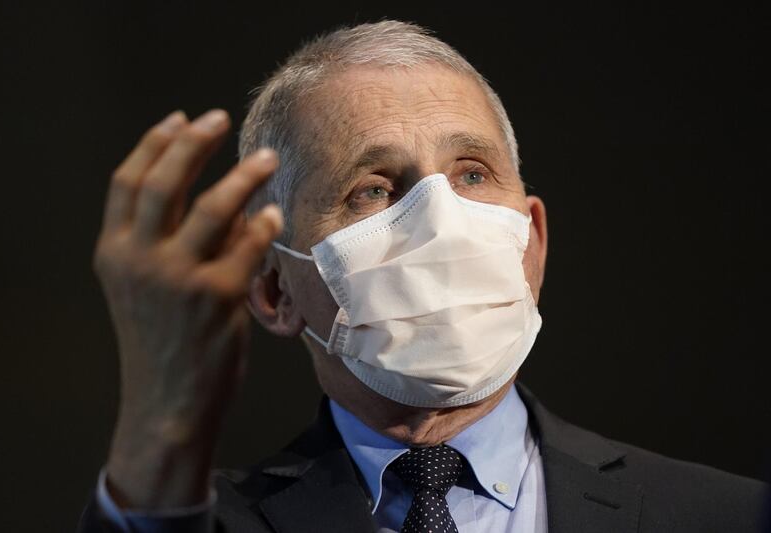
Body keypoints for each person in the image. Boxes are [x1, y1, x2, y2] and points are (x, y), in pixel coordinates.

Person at [77, 20, 768, 533]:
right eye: (372, 189)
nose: (439, 218)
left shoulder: (729, 515)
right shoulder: (193, 518)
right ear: (274, 288)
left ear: (533, 244)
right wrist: (159, 426)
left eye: (472, 172)